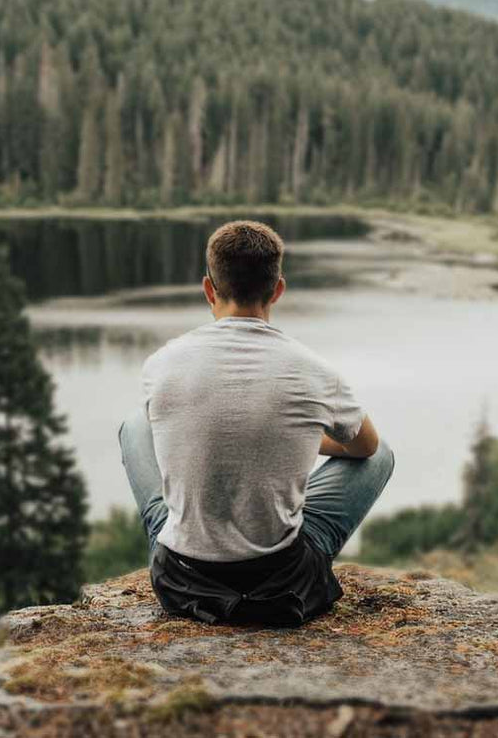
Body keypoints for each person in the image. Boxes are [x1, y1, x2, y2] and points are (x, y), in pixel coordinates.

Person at [118, 220, 395, 625]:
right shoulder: (314, 371)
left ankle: (183, 540)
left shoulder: (162, 363)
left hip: (182, 575)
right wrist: (301, 436)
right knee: (382, 455)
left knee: (134, 425)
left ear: (209, 289)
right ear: (278, 289)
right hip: (280, 579)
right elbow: (366, 448)